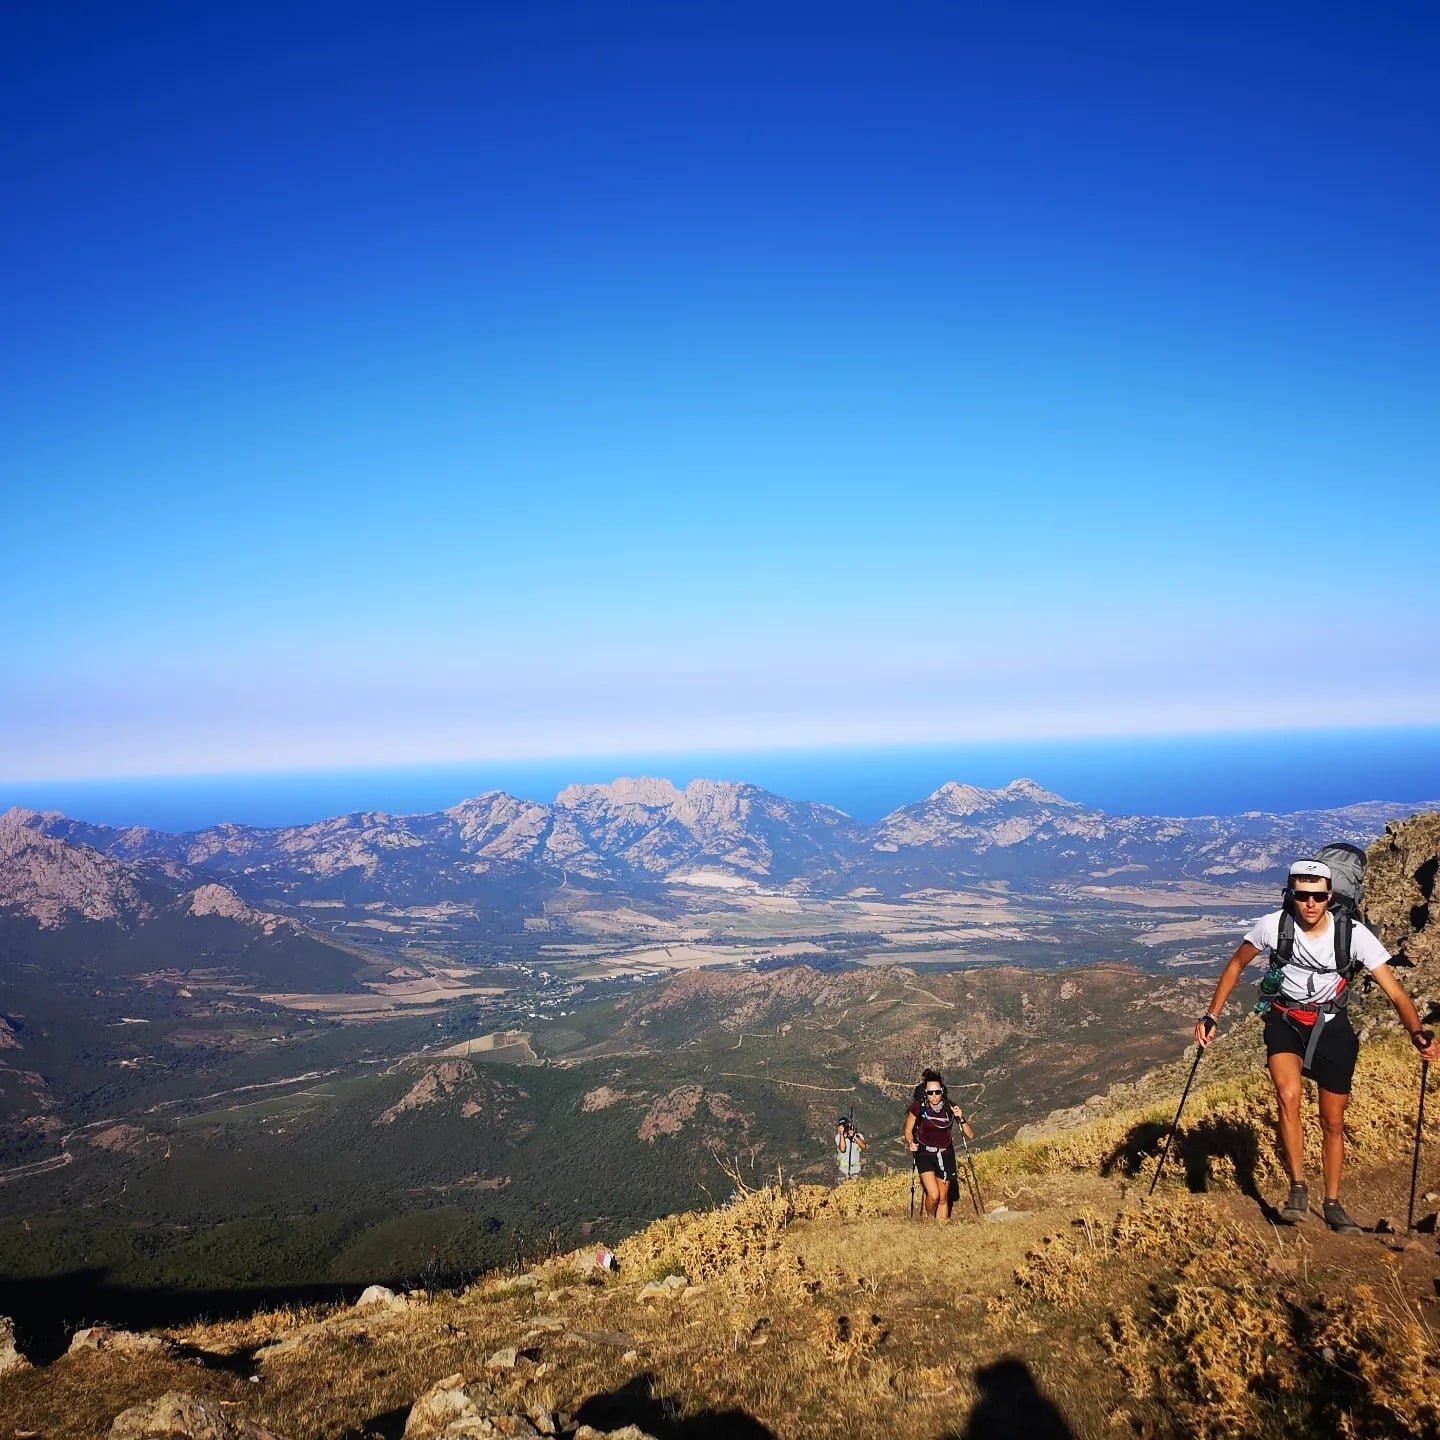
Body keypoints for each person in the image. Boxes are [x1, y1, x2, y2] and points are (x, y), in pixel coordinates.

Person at [1195, 857, 1440, 1233]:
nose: (1310, 903)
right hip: (1285, 1020)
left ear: (1330, 897)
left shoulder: (1353, 934)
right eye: (1302, 895)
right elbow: (1235, 965)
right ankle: (1297, 1189)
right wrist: (1212, 1015)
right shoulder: (1273, 926)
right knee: (1288, 1096)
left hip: (1332, 1027)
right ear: (1291, 895)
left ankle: (1333, 1203)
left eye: (1318, 896)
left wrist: (1416, 1032)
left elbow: (1395, 992)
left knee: (1333, 1121)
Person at [904, 1068, 974, 1222]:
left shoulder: (951, 1107)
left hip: (946, 1155)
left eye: (937, 1092)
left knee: (943, 1198)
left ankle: (941, 1227)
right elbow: (908, 1130)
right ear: (926, 1093)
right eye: (930, 1093)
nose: (934, 1096)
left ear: (942, 1091)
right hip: (925, 1155)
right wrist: (910, 1142)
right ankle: (929, 1220)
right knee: (934, 1195)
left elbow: (970, 1135)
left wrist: (961, 1118)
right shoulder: (918, 1106)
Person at [835, 1115, 866, 1181]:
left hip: (856, 1170)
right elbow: (842, 1149)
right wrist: (842, 1135)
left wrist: (854, 1136)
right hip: (843, 1170)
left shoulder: (858, 1136)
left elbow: (863, 1146)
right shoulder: (838, 1137)